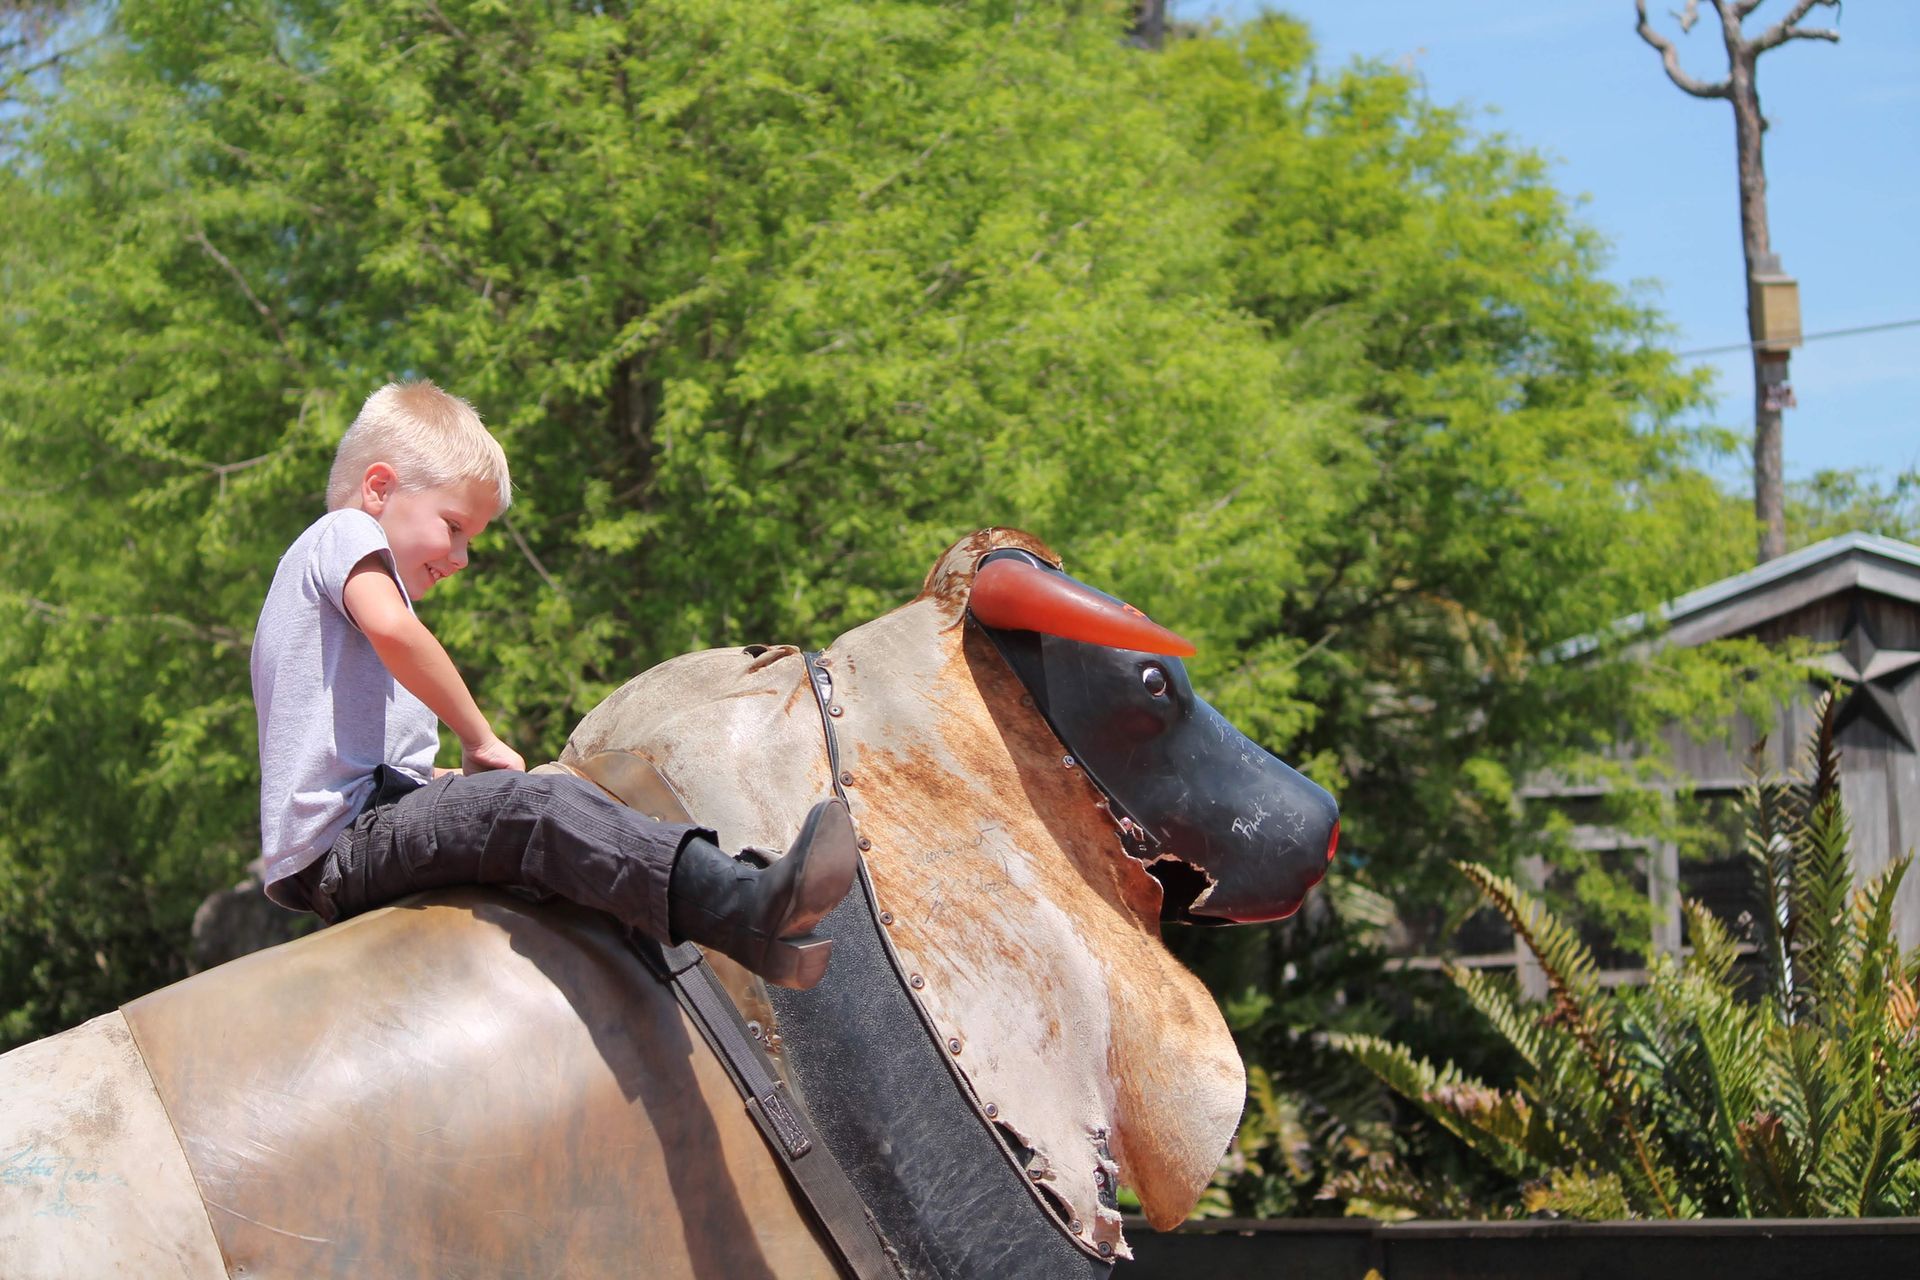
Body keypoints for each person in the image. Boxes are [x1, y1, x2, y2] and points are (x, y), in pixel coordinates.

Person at [251, 380, 855, 989]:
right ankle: (744, 902)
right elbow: (394, 629)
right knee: (539, 808)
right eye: (454, 525)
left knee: (548, 805)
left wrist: (453, 783)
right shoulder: (346, 533)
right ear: (379, 488)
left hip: (356, 832)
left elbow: (353, 760)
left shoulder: (335, 607)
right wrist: (478, 737)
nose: (462, 556)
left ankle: (743, 922)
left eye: (471, 539)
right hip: (348, 843)